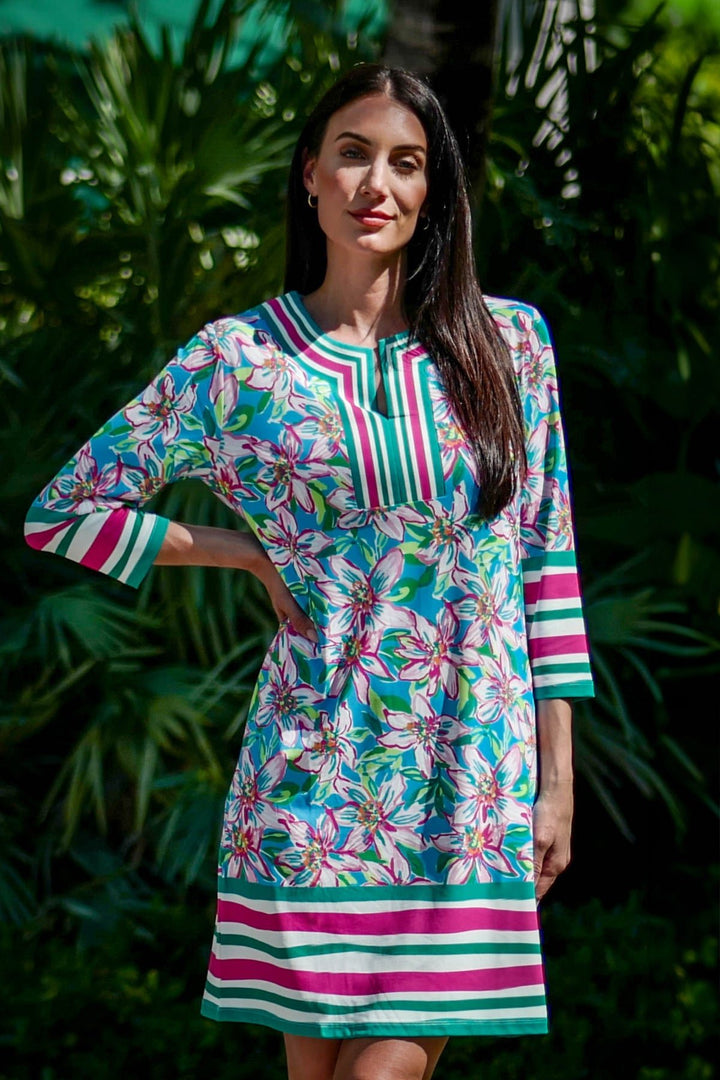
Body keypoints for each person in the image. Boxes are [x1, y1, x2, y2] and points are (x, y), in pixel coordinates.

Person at [25, 63, 594, 1080]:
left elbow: (546, 567)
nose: (378, 184)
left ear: (434, 189)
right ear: (309, 174)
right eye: (354, 154)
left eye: (407, 163)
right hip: (312, 781)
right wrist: (241, 552)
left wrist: (557, 784)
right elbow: (62, 513)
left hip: (467, 784)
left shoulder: (510, 347)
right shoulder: (238, 361)